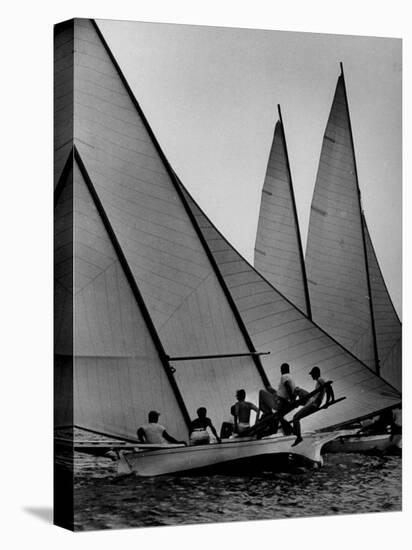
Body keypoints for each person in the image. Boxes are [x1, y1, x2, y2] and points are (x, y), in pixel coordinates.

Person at [291, 366, 334, 446]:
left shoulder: (320, 379)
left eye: (312, 374)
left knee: (295, 417)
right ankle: (294, 403)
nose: (311, 376)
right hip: (312, 400)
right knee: (297, 389)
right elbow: (328, 389)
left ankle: (298, 437)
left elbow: (329, 388)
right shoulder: (319, 381)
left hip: (313, 403)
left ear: (316, 374)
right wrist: (330, 400)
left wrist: (328, 402)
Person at [272, 363, 296, 435]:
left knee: (278, 415)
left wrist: (291, 399)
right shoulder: (290, 377)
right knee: (279, 416)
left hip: (282, 400)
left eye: (281, 370)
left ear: (284, 369)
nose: (281, 371)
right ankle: (288, 429)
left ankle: (289, 430)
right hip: (285, 399)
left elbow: (287, 386)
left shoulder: (284, 376)